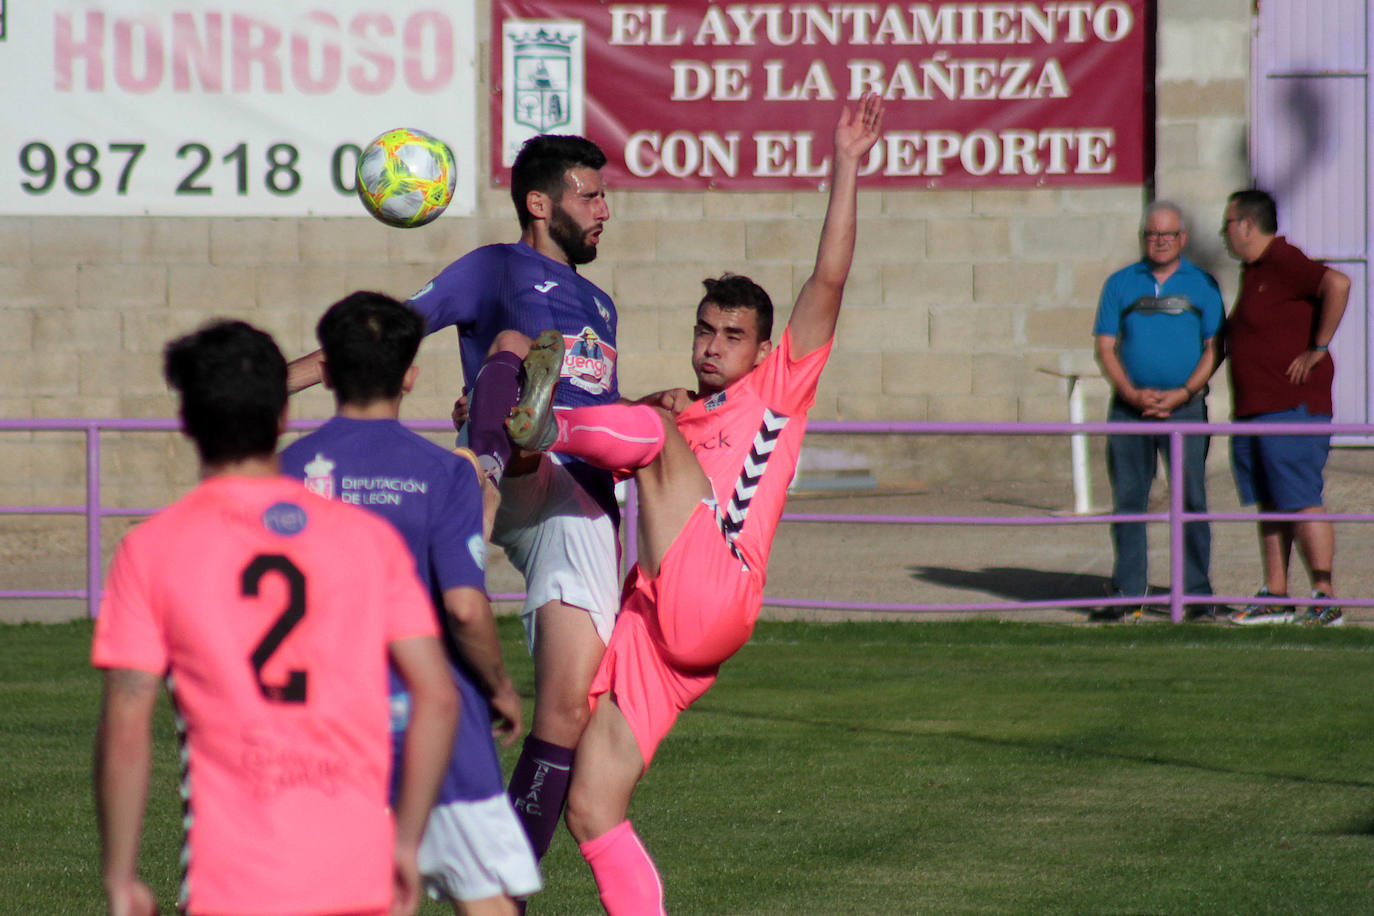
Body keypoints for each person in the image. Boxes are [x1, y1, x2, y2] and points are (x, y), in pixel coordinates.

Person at [501, 94, 883, 915]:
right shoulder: (681, 407)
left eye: (732, 335)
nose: (712, 346)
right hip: (664, 623)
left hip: (718, 585)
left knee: (648, 433)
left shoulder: (781, 390)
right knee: (593, 808)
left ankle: (546, 422)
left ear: (762, 346)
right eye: (706, 329)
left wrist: (846, 164)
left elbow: (829, 276)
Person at [287, 134, 621, 861]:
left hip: (579, 501)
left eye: (603, 195)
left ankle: (504, 883)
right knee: (508, 343)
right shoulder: (494, 267)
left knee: (563, 711)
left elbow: (606, 409)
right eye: (589, 195)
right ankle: (483, 471)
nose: (604, 209)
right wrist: (268, 387)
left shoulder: (600, 303)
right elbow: (387, 333)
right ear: (540, 204)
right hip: (517, 468)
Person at [92, 320, 457, 916]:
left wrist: (121, 876)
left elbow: (127, 723)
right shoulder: (367, 540)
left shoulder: (152, 549)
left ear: (187, 423)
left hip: (232, 887)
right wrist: (408, 842)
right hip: (357, 876)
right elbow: (437, 697)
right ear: (283, 416)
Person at [280, 293, 541, 915]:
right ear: (410, 375)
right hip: (432, 718)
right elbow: (464, 608)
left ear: (329, 374)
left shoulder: (282, 472)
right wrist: (500, 686)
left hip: (321, 727)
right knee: (487, 901)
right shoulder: (443, 473)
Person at [1220, 188, 1351, 626]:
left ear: (1247, 225)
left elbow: (1338, 283)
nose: (1224, 234)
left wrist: (1318, 347)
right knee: (1271, 502)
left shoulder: (1282, 258)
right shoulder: (1253, 271)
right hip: (1255, 409)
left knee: (1300, 498)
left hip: (1290, 407)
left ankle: (1325, 596)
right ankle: (1275, 594)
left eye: (1228, 224)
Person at [1092, 201, 1224, 620]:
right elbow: (1105, 346)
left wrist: (1185, 392)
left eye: (1168, 234)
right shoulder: (1120, 283)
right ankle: (1129, 592)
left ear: (1182, 238)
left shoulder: (1202, 284)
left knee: (1190, 501)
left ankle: (1197, 595)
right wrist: (1131, 393)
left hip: (1186, 411)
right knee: (1129, 501)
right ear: (1143, 237)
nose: (1160, 240)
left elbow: (1216, 347)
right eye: (1152, 234)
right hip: (1130, 411)